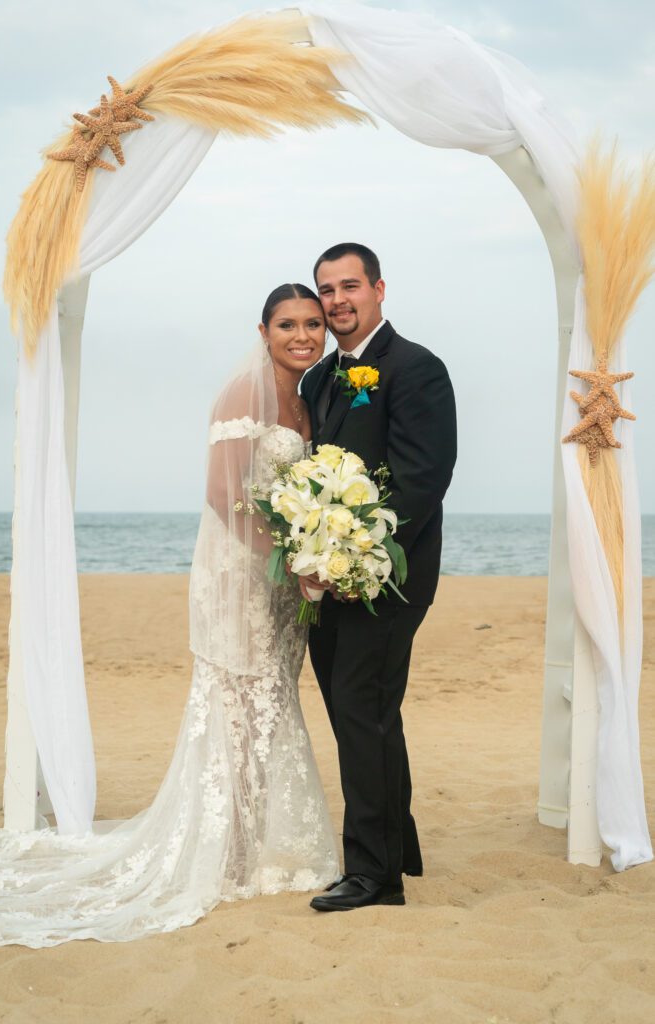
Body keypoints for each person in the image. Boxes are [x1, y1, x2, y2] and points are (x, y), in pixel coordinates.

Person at [0, 284, 338, 946]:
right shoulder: (238, 394)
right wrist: (291, 558)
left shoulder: (307, 400)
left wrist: (305, 560)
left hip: (282, 582)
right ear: (262, 330)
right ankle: (222, 852)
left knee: (272, 700)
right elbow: (223, 493)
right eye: (288, 324)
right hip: (238, 574)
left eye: (312, 323)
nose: (303, 335)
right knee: (233, 701)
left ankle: (258, 844)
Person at [300, 243, 457, 912]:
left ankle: (373, 875)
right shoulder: (317, 380)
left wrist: (361, 558)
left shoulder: (416, 368)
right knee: (357, 715)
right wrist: (311, 552)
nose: (337, 300)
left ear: (379, 289)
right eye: (326, 289)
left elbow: (422, 477)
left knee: (362, 709)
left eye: (349, 286)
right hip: (324, 577)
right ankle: (396, 846)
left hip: (387, 578)